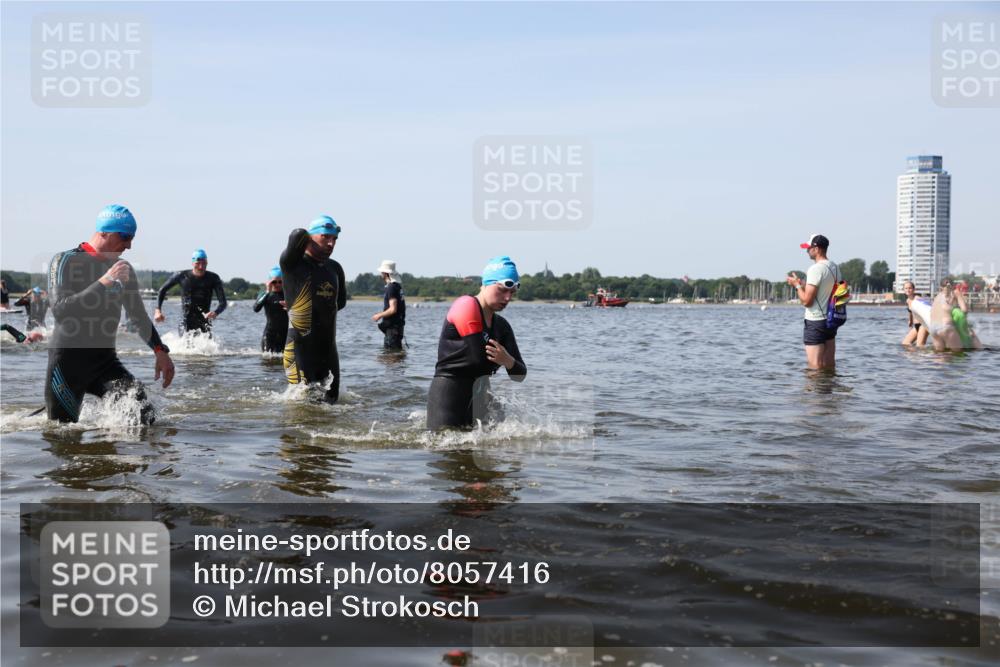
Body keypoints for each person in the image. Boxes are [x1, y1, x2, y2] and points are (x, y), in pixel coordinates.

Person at [45, 204, 174, 424]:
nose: (129, 245)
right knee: (63, 439)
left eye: (132, 238)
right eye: (124, 237)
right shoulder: (64, 260)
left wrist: (160, 351)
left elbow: (138, 316)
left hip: (105, 363)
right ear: (104, 232)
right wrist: (104, 282)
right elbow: (60, 310)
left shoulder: (123, 269)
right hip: (67, 366)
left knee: (146, 419)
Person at [426, 256, 527, 430]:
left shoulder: (501, 326)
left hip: (480, 397)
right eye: (502, 290)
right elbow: (477, 360)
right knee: (448, 452)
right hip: (449, 396)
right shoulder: (465, 305)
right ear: (487, 283)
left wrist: (507, 360)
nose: (508, 297)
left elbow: (520, 374)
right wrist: (503, 362)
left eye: (512, 293)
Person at [280, 216, 347, 403]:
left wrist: (316, 304)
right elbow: (296, 235)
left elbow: (339, 303)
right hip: (299, 348)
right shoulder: (293, 264)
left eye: (334, 239)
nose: (331, 243)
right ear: (309, 237)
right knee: (304, 405)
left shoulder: (335, 268)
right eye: (326, 237)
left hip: (328, 349)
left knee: (332, 403)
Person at [786, 234, 841, 370]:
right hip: (830, 320)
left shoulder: (815, 269)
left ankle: (814, 391)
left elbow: (807, 301)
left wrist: (797, 286)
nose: (807, 251)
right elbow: (824, 290)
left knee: (814, 367)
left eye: (809, 248)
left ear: (817, 249)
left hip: (816, 321)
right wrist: (802, 283)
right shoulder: (835, 267)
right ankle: (829, 390)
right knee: (829, 365)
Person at [154, 248, 227, 333]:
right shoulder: (181, 276)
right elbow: (162, 290)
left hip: (205, 322)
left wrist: (215, 313)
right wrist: (158, 310)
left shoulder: (213, 278)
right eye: (198, 263)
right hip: (185, 323)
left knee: (206, 346)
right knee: (185, 345)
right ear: (192, 263)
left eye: (204, 263)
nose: (201, 267)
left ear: (207, 263)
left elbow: (223, 303)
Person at [928, 278, 983, 351]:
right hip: (946, 327)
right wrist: (957, 312)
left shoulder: (937, 296)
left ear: (940, 287)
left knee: (940, 355)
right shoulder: (955, 292)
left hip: (933, 328)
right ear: (953, 285)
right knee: (958, 354)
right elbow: (965, 310)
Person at [371, 260, 406, 350]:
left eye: (382, 272)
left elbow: (393, 309)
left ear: (385, 273)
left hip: (393, 329)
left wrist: (378, 315)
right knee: (395, 357)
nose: (380, 274)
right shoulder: (397, 286)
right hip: (398, 327)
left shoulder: (391, 287)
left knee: (390, 358)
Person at [253, 265, 288, 353]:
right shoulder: (264, 294)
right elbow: (256, 308)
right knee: (267, 361)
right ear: (269, 282)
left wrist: (291, 307)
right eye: (274, 282)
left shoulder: (288, 294)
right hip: (269, 334)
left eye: (280, 282)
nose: (277, 284)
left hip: (285, 334)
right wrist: (268, 292)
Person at [902, 280, 929, 347]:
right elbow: (910, 311)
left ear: (914, 289)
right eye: (906, 288)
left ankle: (929, 356)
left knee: (920, 345)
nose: (908, 290)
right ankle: (914, 357)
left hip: (923, 325)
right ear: (904, 290)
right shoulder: (908, 300)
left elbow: (928, 308)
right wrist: (910, 321)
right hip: (916, 325)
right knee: (906, 344)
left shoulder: (917, 299)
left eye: (910, 288)